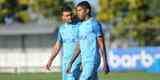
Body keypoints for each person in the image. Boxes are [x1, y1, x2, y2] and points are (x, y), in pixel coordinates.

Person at [66, 1, 109, 80]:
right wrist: (71, 62)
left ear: (87, 11)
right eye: (77, 10)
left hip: (92, 59)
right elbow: (79, 46)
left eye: (80, 10)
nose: (77, 13)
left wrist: (105, 62)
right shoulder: (81, 26)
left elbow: (101, 44)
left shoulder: (94, 24)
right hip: (85, 61)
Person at [45, 5, 81, 80]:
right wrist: (50, 60)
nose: (70, 17)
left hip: (76, 61)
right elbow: (57, 46)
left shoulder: (80, 26)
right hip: (65, 62)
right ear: (62, 17)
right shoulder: (62, 29)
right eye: (67, 16)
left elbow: (83, 45)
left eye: (70, 14)